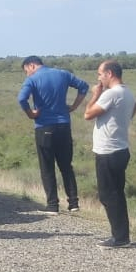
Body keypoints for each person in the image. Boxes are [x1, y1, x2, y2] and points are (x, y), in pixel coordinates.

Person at [18, 55, 90, 213]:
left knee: (47, 167)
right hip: (64, 125)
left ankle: (52, 205)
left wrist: (30, 114)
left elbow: (22, 99)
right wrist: (74, 106)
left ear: (31, 65)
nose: (27, 74)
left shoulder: (32, 79)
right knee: (66, 166)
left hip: (44, 126)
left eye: (26, 71)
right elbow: (84, 87)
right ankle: (73, 203)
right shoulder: (63, 74)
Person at [83, 59, 136, 248]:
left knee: (108, 195)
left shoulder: (111, 94)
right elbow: (135, 107)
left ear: (109, 74)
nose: (99, 78)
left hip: (108, 151)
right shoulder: (127, 92)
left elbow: (88, 114)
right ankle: (121, 235)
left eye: (100, 74)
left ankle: (120, 238)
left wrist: (95, 95)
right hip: (120, 149)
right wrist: (121, 120)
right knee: (116, 193)